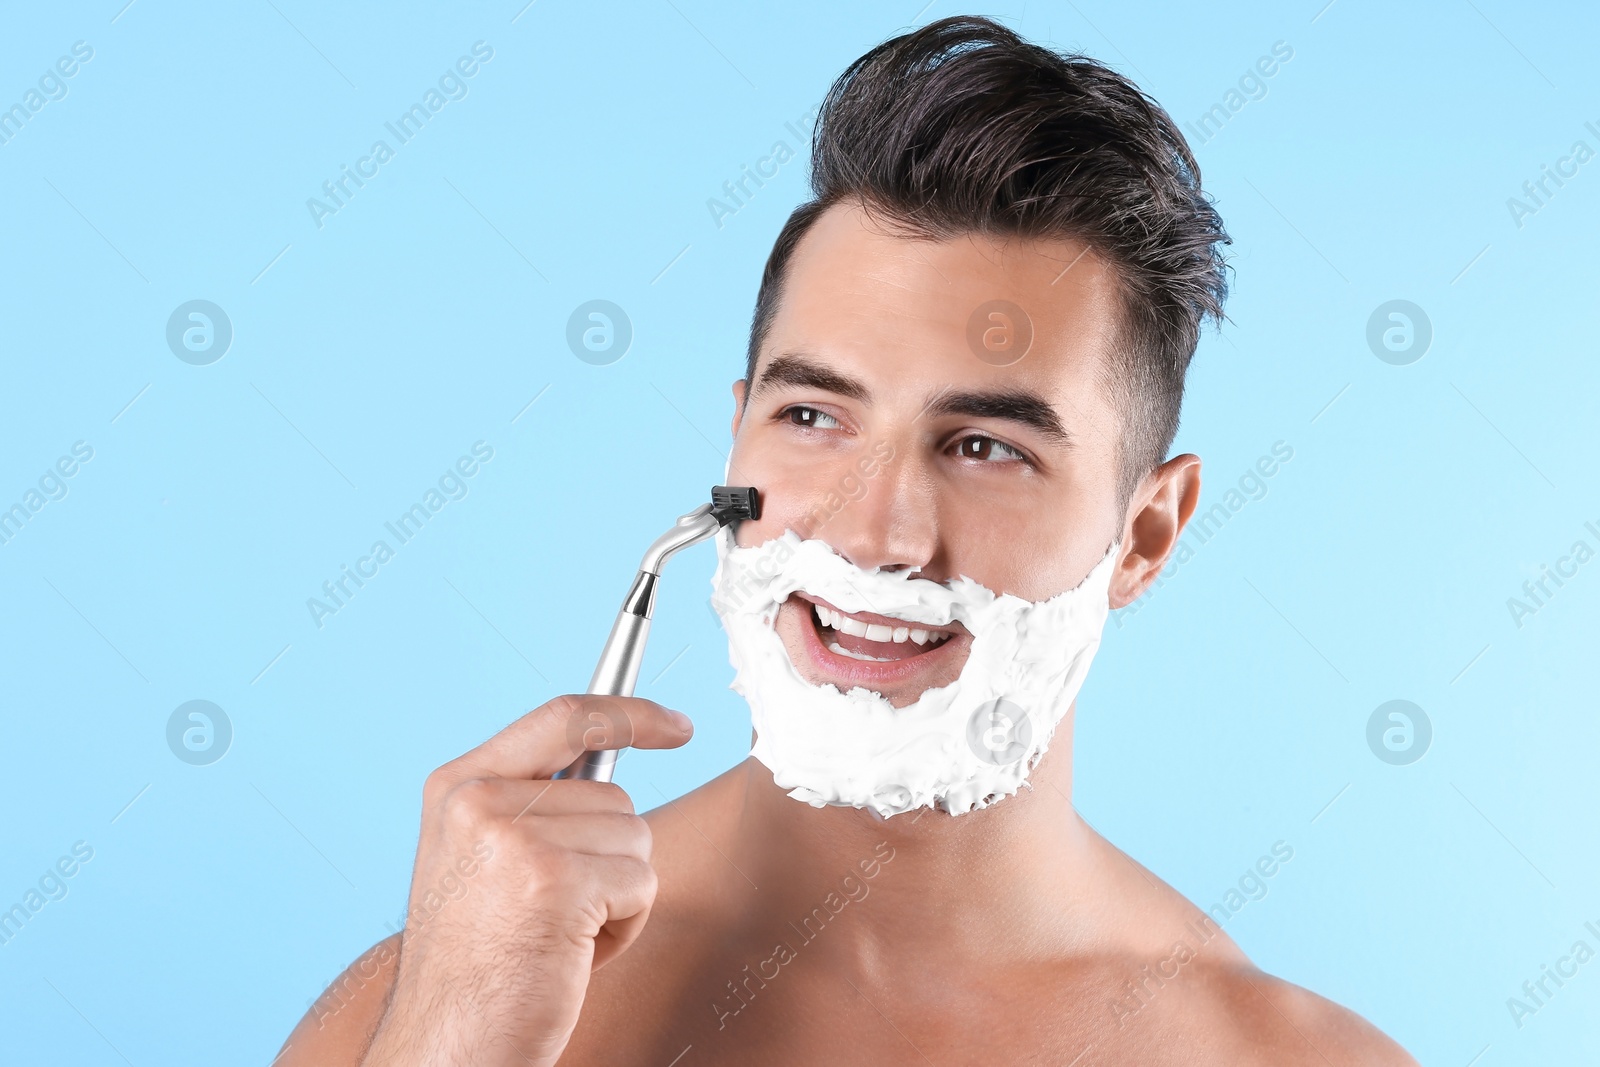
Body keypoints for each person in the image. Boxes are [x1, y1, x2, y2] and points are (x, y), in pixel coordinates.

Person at [277, 16, 1417, 1065]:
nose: (876, 536)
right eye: (814, 418)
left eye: (985, 445)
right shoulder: (429, 1005)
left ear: (1145, 533)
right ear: (736, 445)